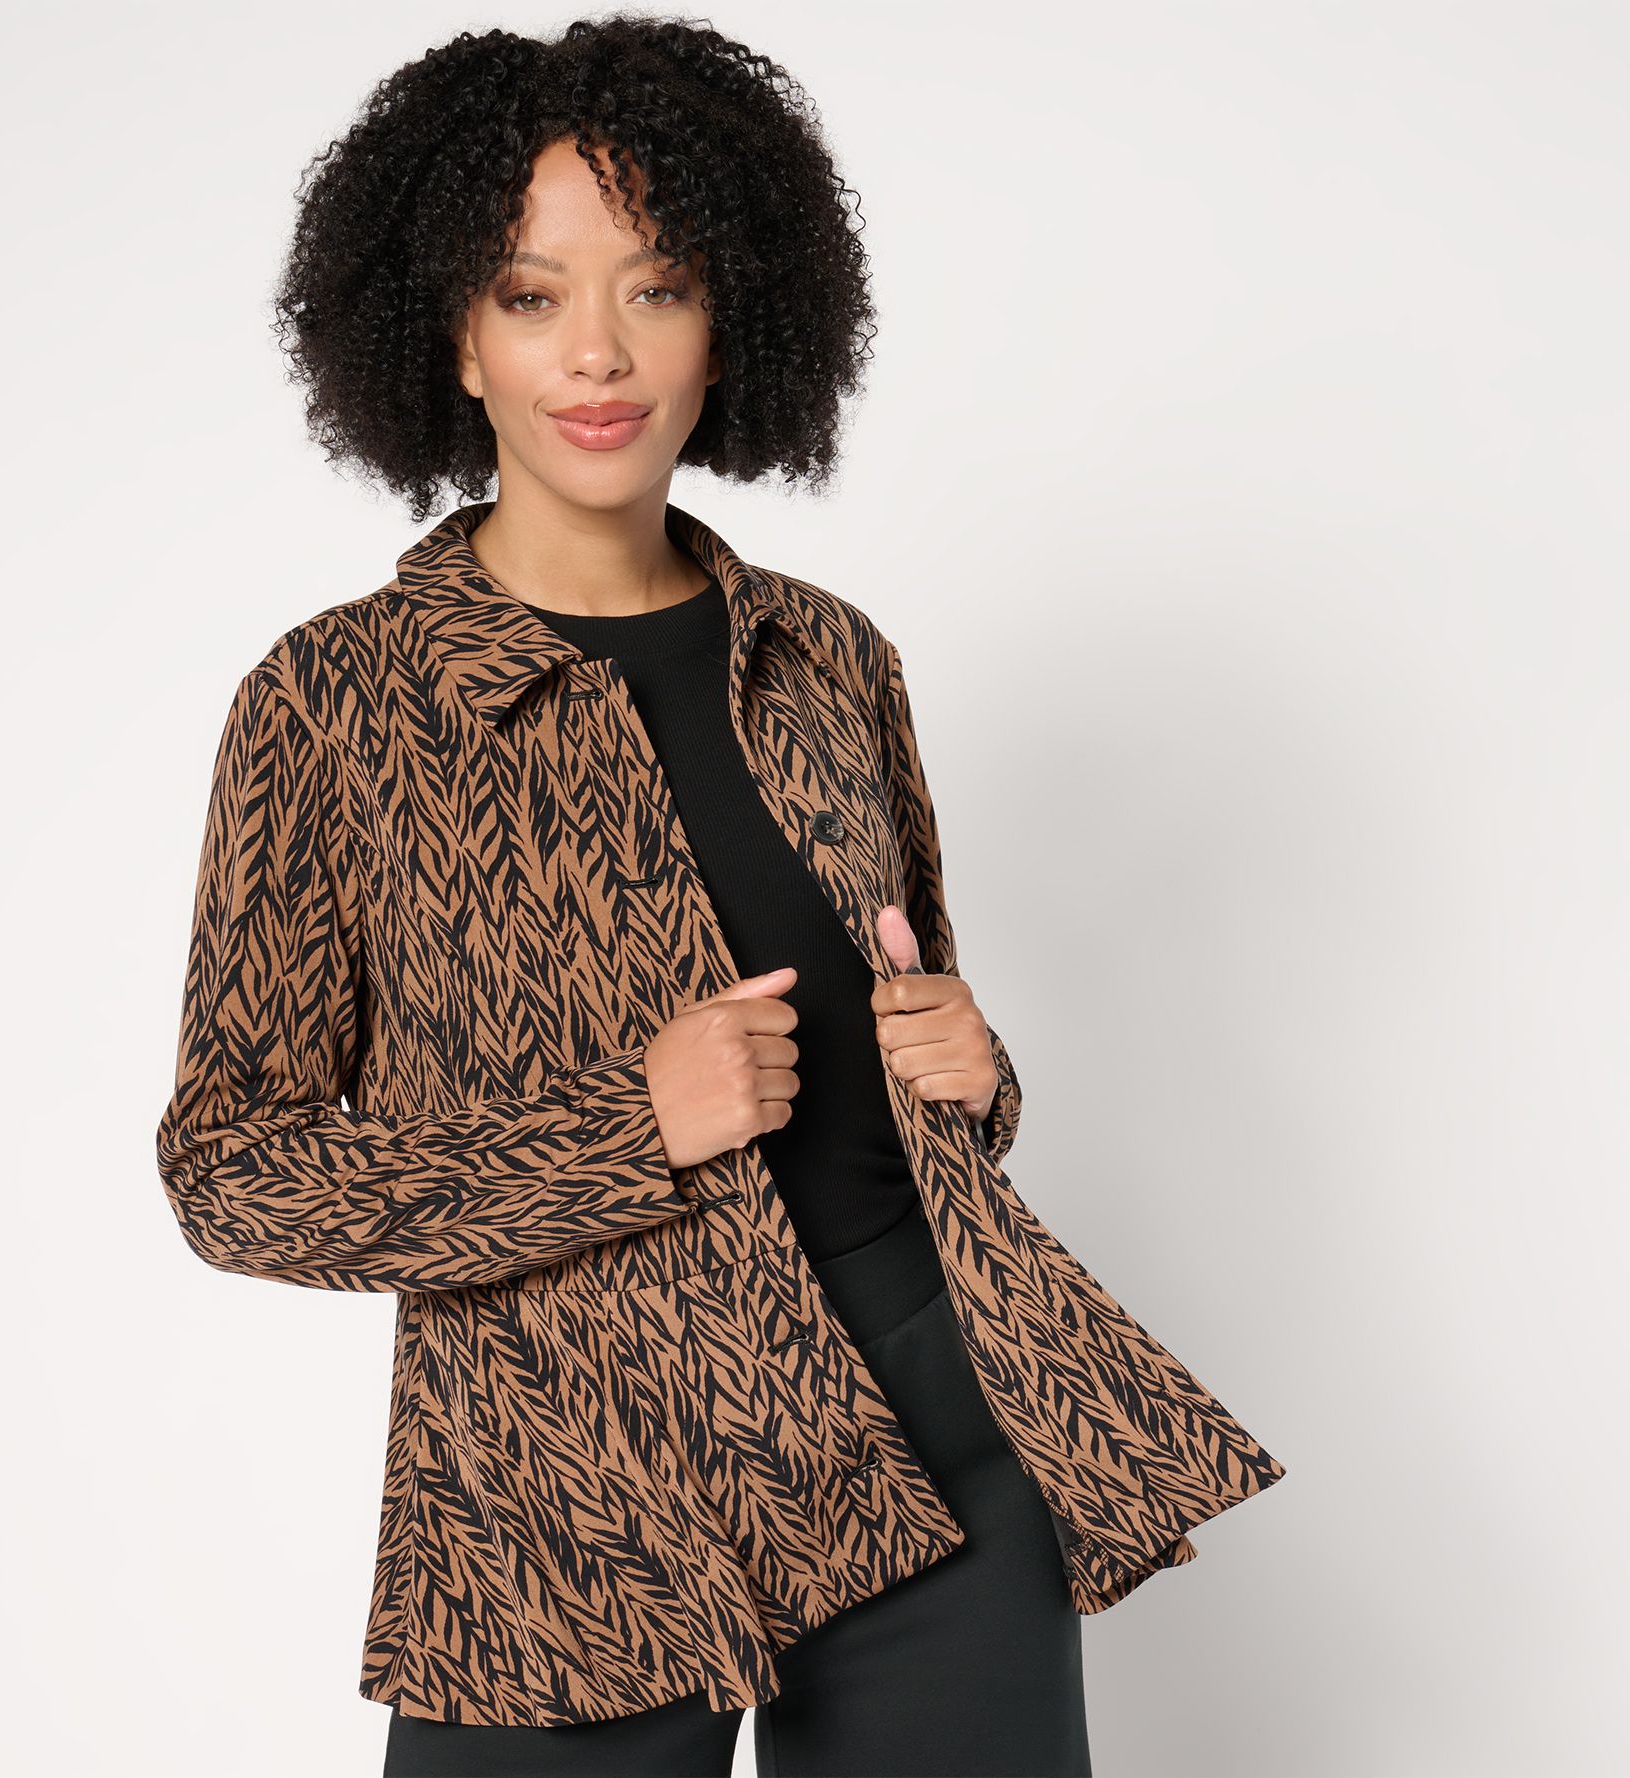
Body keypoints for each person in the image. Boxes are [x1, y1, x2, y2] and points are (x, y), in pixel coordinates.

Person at [156, 15, 1285, 1777]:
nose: (598, 351)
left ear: (729, 318)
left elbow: (912, 1073)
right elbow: (233, 1173)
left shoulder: (831, 660)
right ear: (453, 338)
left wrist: (977, 1072)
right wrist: (632, 1124)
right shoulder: (335, 703)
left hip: (930, 1405)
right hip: (563, 1485)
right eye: (531, 295)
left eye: (658, 288)